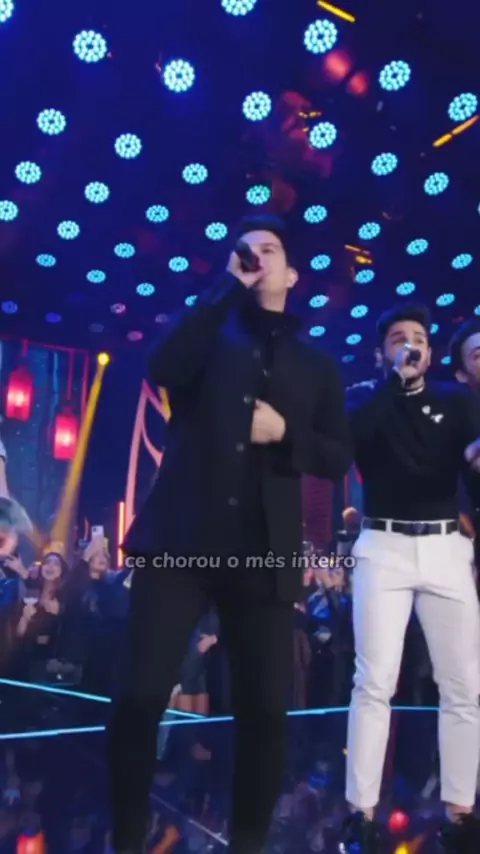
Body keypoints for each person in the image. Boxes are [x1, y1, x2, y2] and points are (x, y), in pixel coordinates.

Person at [106, 213, 352, 854]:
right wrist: (222, 288)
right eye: (246, 250)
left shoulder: (317, 366)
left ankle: (247, 842)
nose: (258, 256)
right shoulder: (206, 335)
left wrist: (285, 434)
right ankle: (126, 836)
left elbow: (336, 454)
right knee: (139, 696)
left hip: (263, 551)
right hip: (180, 540)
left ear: (292, 274)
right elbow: (162, 365)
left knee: (265, 710)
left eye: (271, 249)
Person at [340, 304, 480, 854]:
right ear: (382, 353)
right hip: (383, 546)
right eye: (398, 338)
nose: (410, 344)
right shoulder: (364, 400)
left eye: (418, 337)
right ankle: (360, 812)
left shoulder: (456, 401)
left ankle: (461, 812)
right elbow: (352, 442)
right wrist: (394, 384)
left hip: (446, 545)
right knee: (374, 681)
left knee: (462, 685)